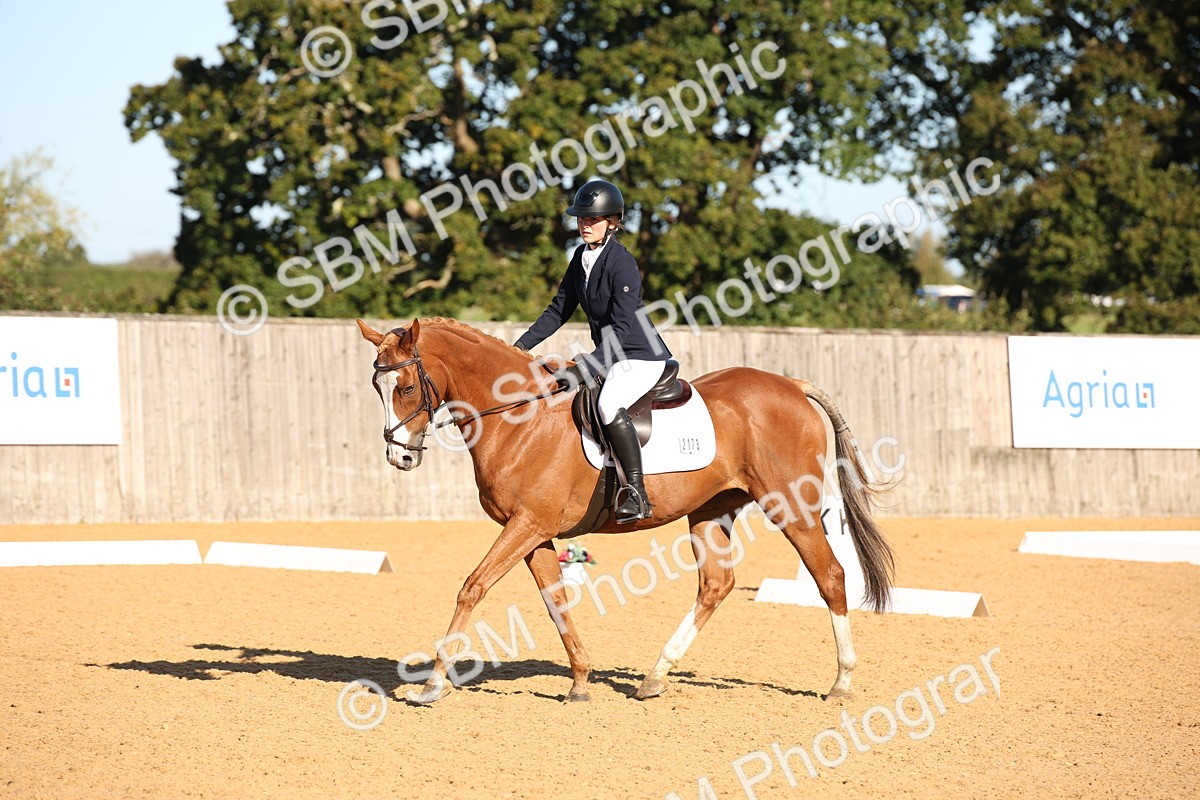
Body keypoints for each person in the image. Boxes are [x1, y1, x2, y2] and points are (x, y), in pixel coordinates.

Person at [514, 179, 672, 524]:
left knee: (606, 403)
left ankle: (636, 492)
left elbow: (623, 326)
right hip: (611, 353)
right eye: (581, 219)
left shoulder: (622, 263)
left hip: (640, 355)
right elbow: (558, 310)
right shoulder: (580, 257)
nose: (585, 225)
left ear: (612, 221)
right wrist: (517, 348)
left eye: (592, 219)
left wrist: (588, 367)